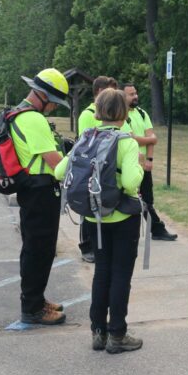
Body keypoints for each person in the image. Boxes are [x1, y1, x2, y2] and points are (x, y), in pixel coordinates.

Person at [55, 89, 145, 353]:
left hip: (93, 217)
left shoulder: (86, 138)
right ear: (124, 112)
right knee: (121, 275)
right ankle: (117, 334)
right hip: (121, 218)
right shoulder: (126, 142)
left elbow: (61, 171)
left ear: (97, 111)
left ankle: (98, 331)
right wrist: (138, 166)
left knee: (101, 272)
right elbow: (130, 183)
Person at [11, 68, 70, 325]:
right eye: (53, 103)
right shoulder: (32, 119)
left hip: (33, 189)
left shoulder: (22, 114)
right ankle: (33, 308)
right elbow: (55, 161)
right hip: (40, 190)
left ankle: (36, 299)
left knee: (38, 248)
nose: (54, 109)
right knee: (39, 249)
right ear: (42, 96)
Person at [121, 83, 176, 241]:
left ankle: (156, 230)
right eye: (131, 94)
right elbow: (132, 139)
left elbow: (151, 139)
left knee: (148, 200)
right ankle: (155, 229)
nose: (135, 96)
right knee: (131, 199)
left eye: (135, 93)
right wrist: (149, 139)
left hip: (144, 165)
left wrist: (150, 159)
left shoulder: (142, 114)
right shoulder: (121, 115)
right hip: (131, 166)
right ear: (123, 97)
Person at [76, 76, 117, 262]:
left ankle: (99, 244)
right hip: (91, 169)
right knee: (87, 209)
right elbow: (86, 142)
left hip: (105, 170)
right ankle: (86, 247)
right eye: (110, 92)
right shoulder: (88, 114)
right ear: (100, 92)